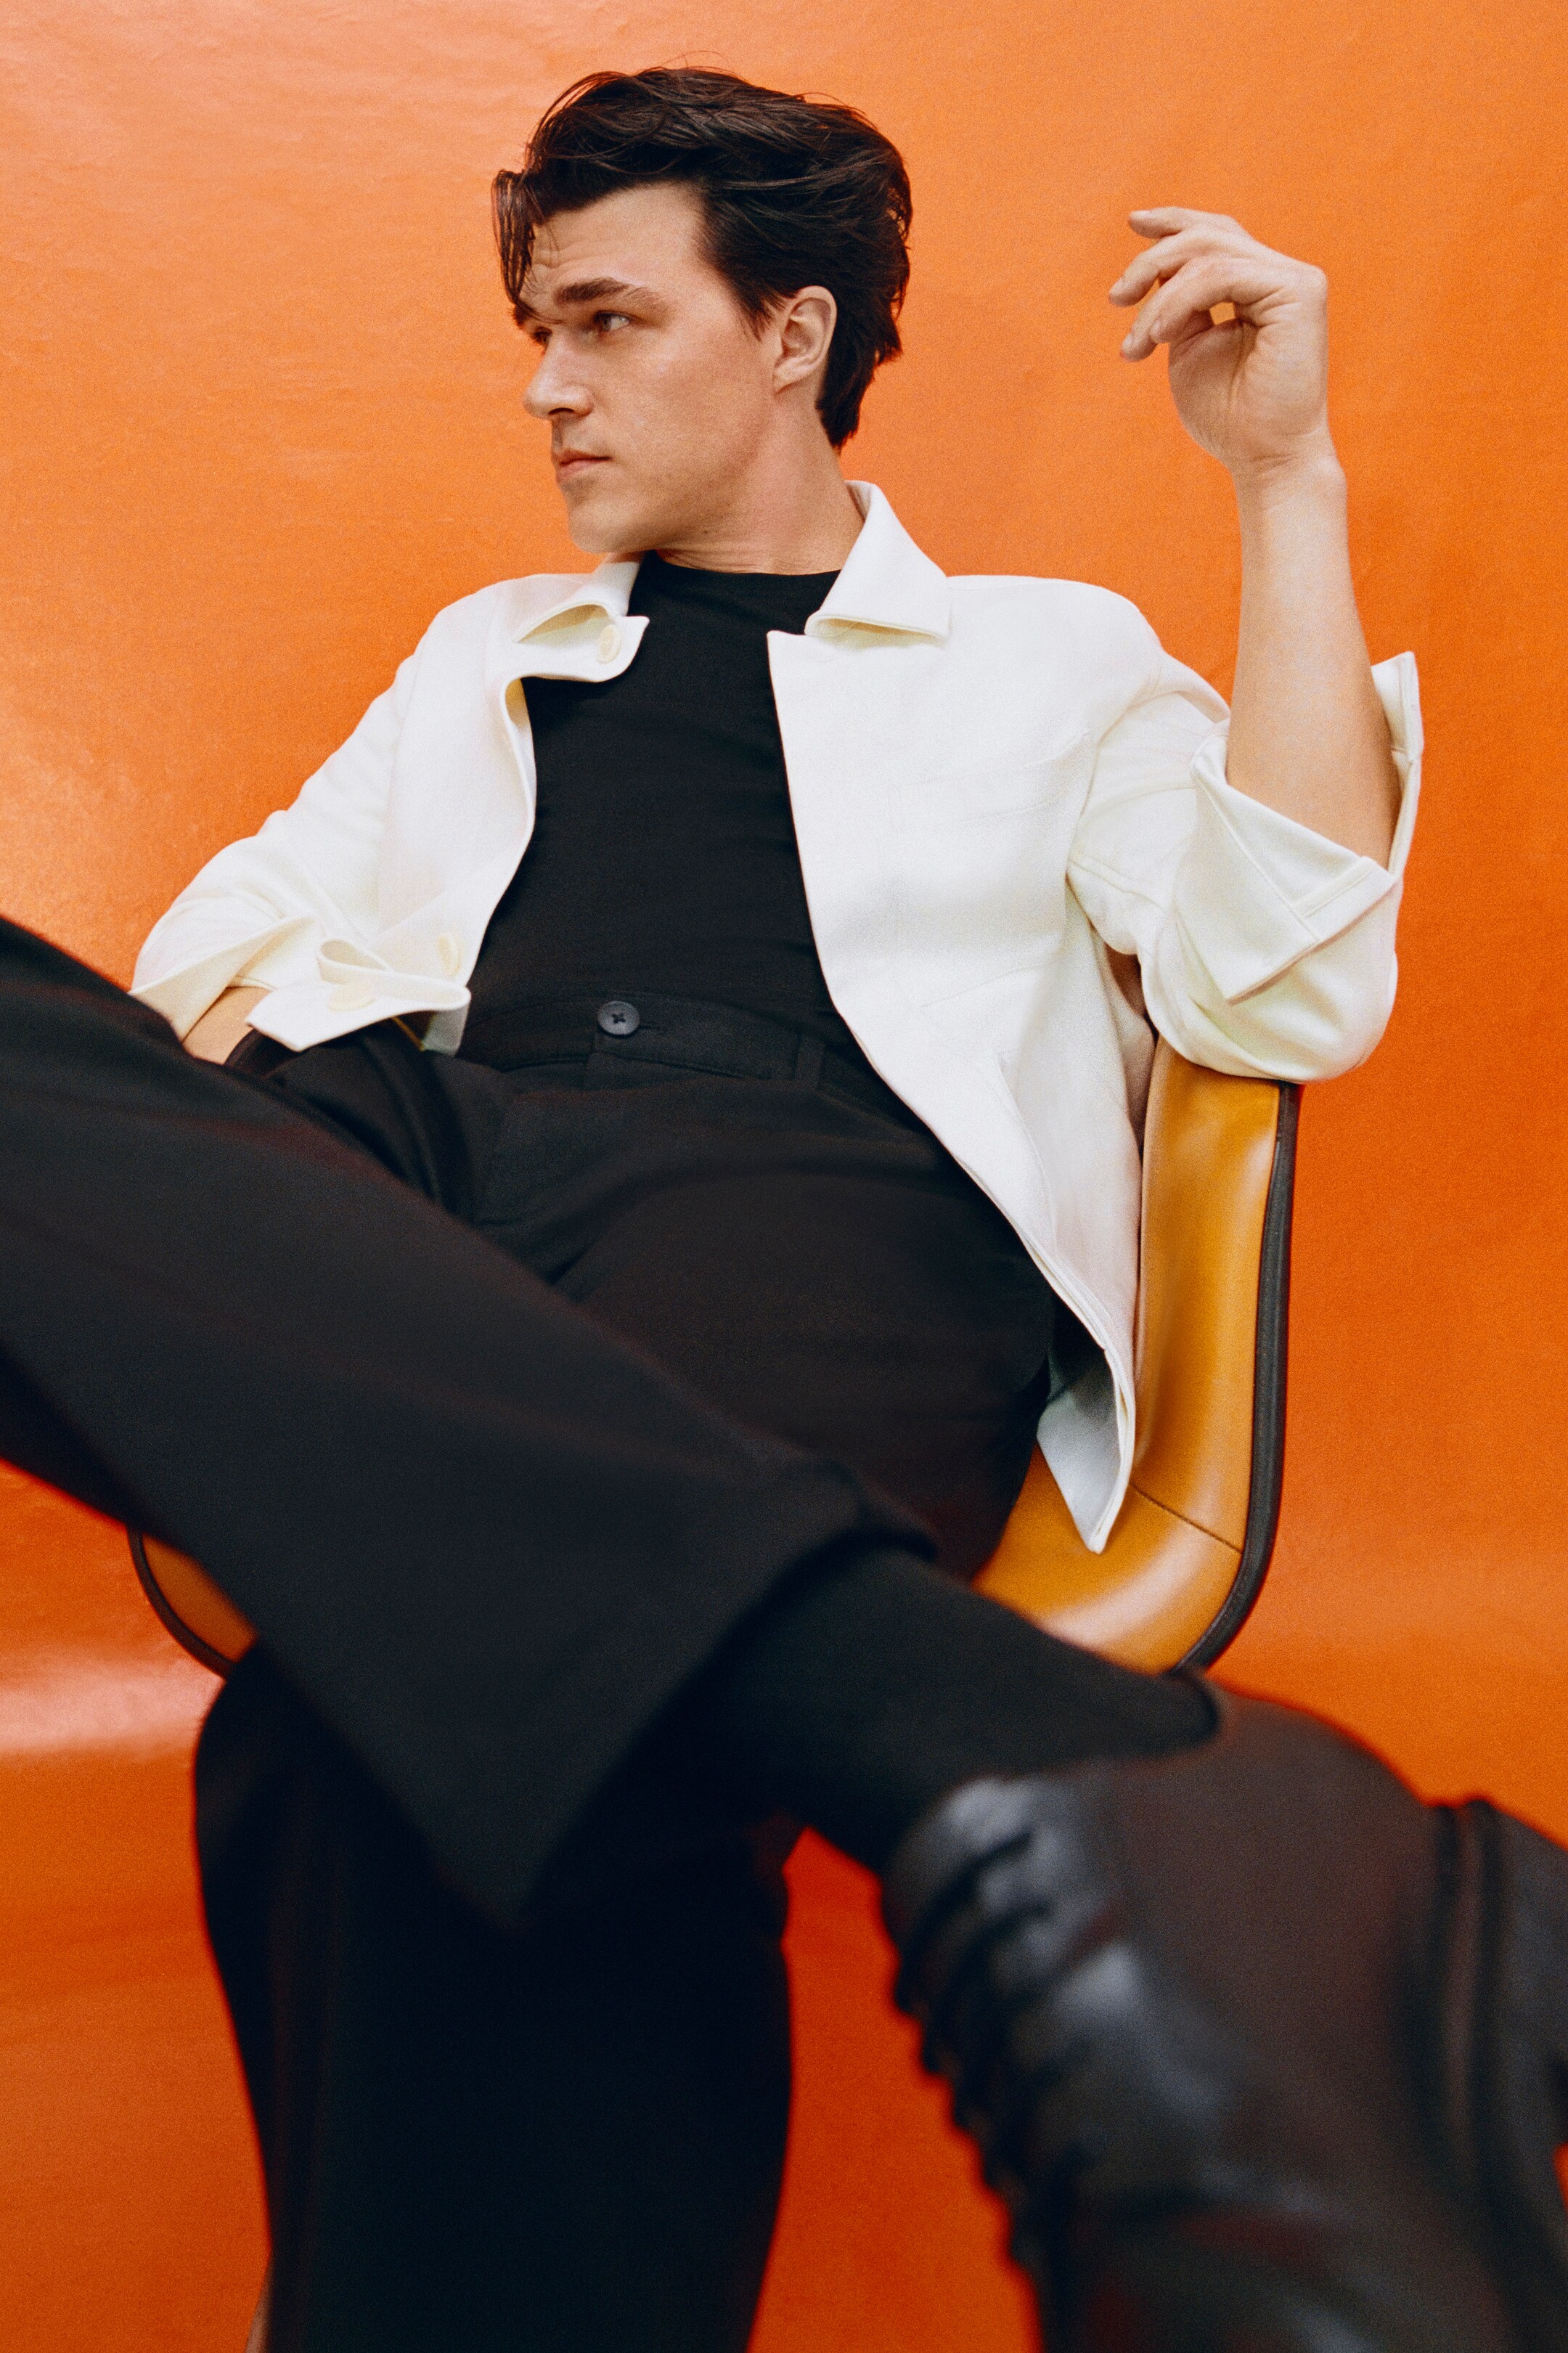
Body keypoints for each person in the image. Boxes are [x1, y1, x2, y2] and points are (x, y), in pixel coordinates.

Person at [1, 63, 1564, 2353]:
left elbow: (1287, 977)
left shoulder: (1051, 660)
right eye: (539, 329)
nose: (546, 387)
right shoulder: (484, 655)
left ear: (796, 334)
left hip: (814, 1189)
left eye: (611, 322)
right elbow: (206, 974)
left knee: (371, 1727)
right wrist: (357, 1147)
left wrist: (1284, 483)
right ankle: (1061, 1766)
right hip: (439, 1159)